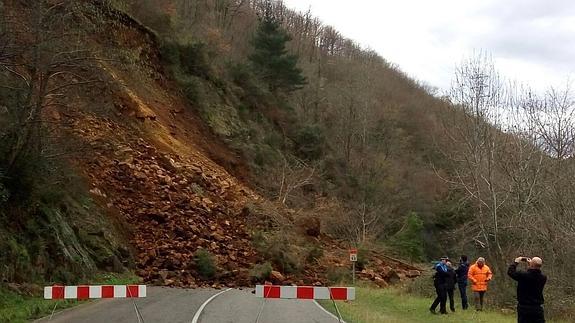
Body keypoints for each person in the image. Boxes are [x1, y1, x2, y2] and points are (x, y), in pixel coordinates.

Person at [508, 256, 547, 323]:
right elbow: (534, 273)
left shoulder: (523, 275)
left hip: (524, 308)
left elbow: (510, 272)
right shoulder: (543, 278)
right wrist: (531, 265)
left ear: (531, 265)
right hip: (537, 308)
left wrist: (516, 262)